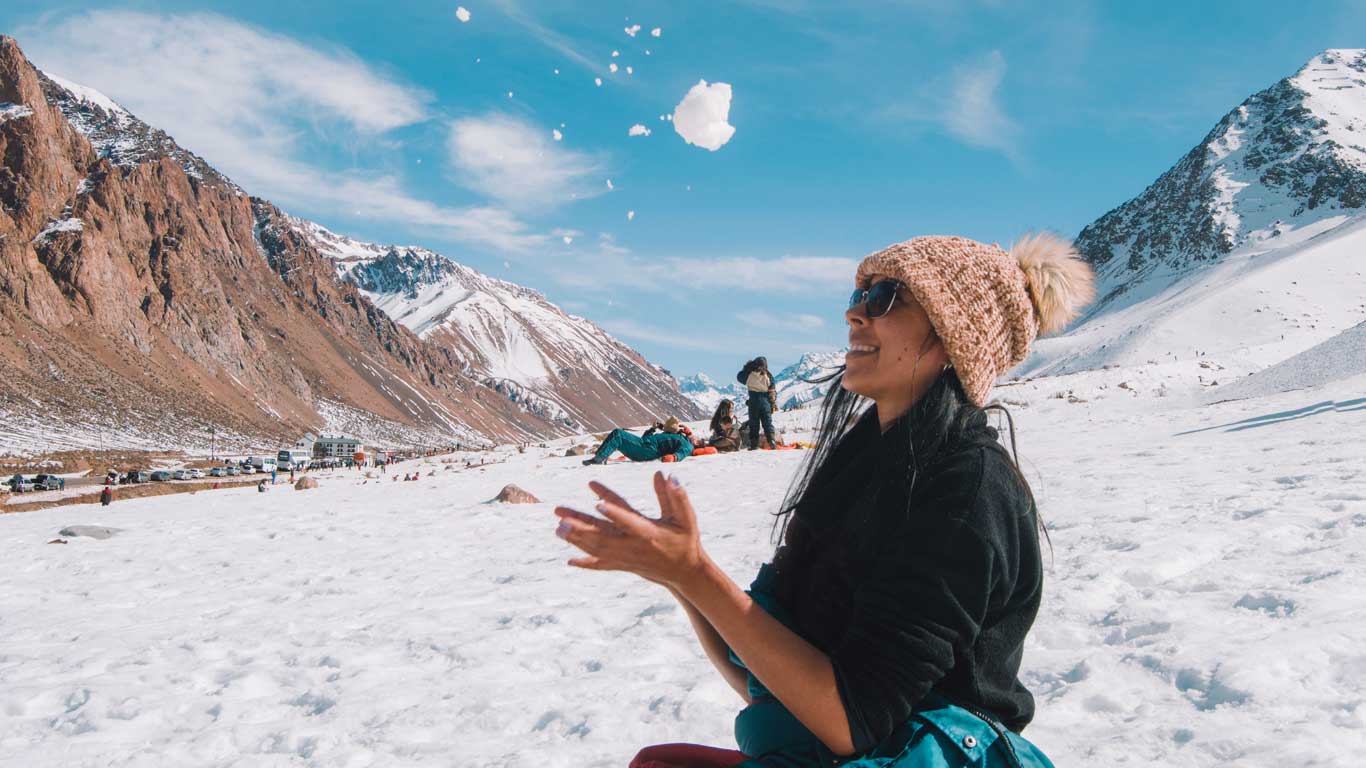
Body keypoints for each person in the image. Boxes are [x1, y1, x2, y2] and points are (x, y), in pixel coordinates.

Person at [553, 234, 1094, 767]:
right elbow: (772, 681)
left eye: (885, 298)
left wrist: (695, 574)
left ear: (955, 337)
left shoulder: (965, 490)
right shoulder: (865, 462)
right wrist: (676, 576)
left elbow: (850, 719)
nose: (856, 315)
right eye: (859, 296)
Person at [585, 417, 695, 465]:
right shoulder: (668, 434)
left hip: (648, 451)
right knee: (617, 437)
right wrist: (652, 429)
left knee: (618, 434)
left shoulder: (684, 441)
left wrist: (674, 457)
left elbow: (685, 451)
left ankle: (599, 458)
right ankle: (600, 457)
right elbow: (644, 439)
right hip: (644, 447)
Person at [738, 357, 777, 450]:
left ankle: (754, 444)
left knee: (754, 423)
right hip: (765, 402)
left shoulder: (749, 375)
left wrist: (747, 367)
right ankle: (771, 441)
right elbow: (772, 391)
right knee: (767, 423)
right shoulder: (768, 376)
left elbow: (739, 376)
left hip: (753, 401)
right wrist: (772, 404)